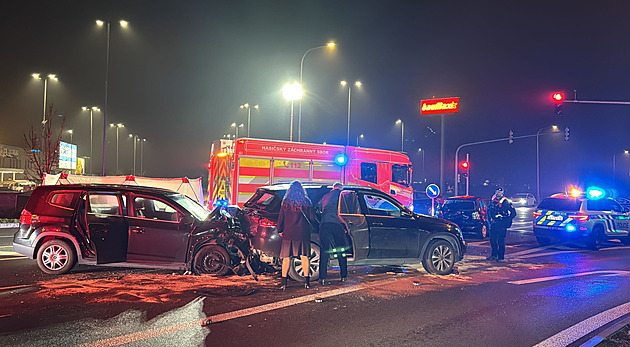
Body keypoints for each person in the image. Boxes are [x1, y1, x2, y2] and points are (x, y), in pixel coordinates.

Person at [277, 181, 317, 290]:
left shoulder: (286, 202)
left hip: (289, 233)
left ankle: (284, 283)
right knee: (305, 257)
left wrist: (280, 229)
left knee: (286, 258)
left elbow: (281, 217)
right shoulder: (306, 201)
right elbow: (312, 218)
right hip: (302, 233)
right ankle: (307, 282)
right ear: (301, 190)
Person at [317, 182, 348, 285]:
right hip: (336, 224)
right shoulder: (342, 195)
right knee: (340, 250)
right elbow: (341, 212)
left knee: (324, 251)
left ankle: (322, 278)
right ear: (340, 188)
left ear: (333, 187)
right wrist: (346, 225)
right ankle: (343, 275)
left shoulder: (325, 196)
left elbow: (319, 208)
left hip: (324, 224)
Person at [486, 187, 516, 262]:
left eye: (500, 192)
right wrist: (490, 220)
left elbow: (513, 213)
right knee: (492, 240)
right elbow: (489, 211)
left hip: (501, 224)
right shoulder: (493, 201)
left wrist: (506, 220)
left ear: (502, 193)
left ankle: (500, 257)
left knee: (500, 241)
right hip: (493, 224)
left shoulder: (506, 201)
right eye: (497, 191)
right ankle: (493, 255)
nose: (498, 193)